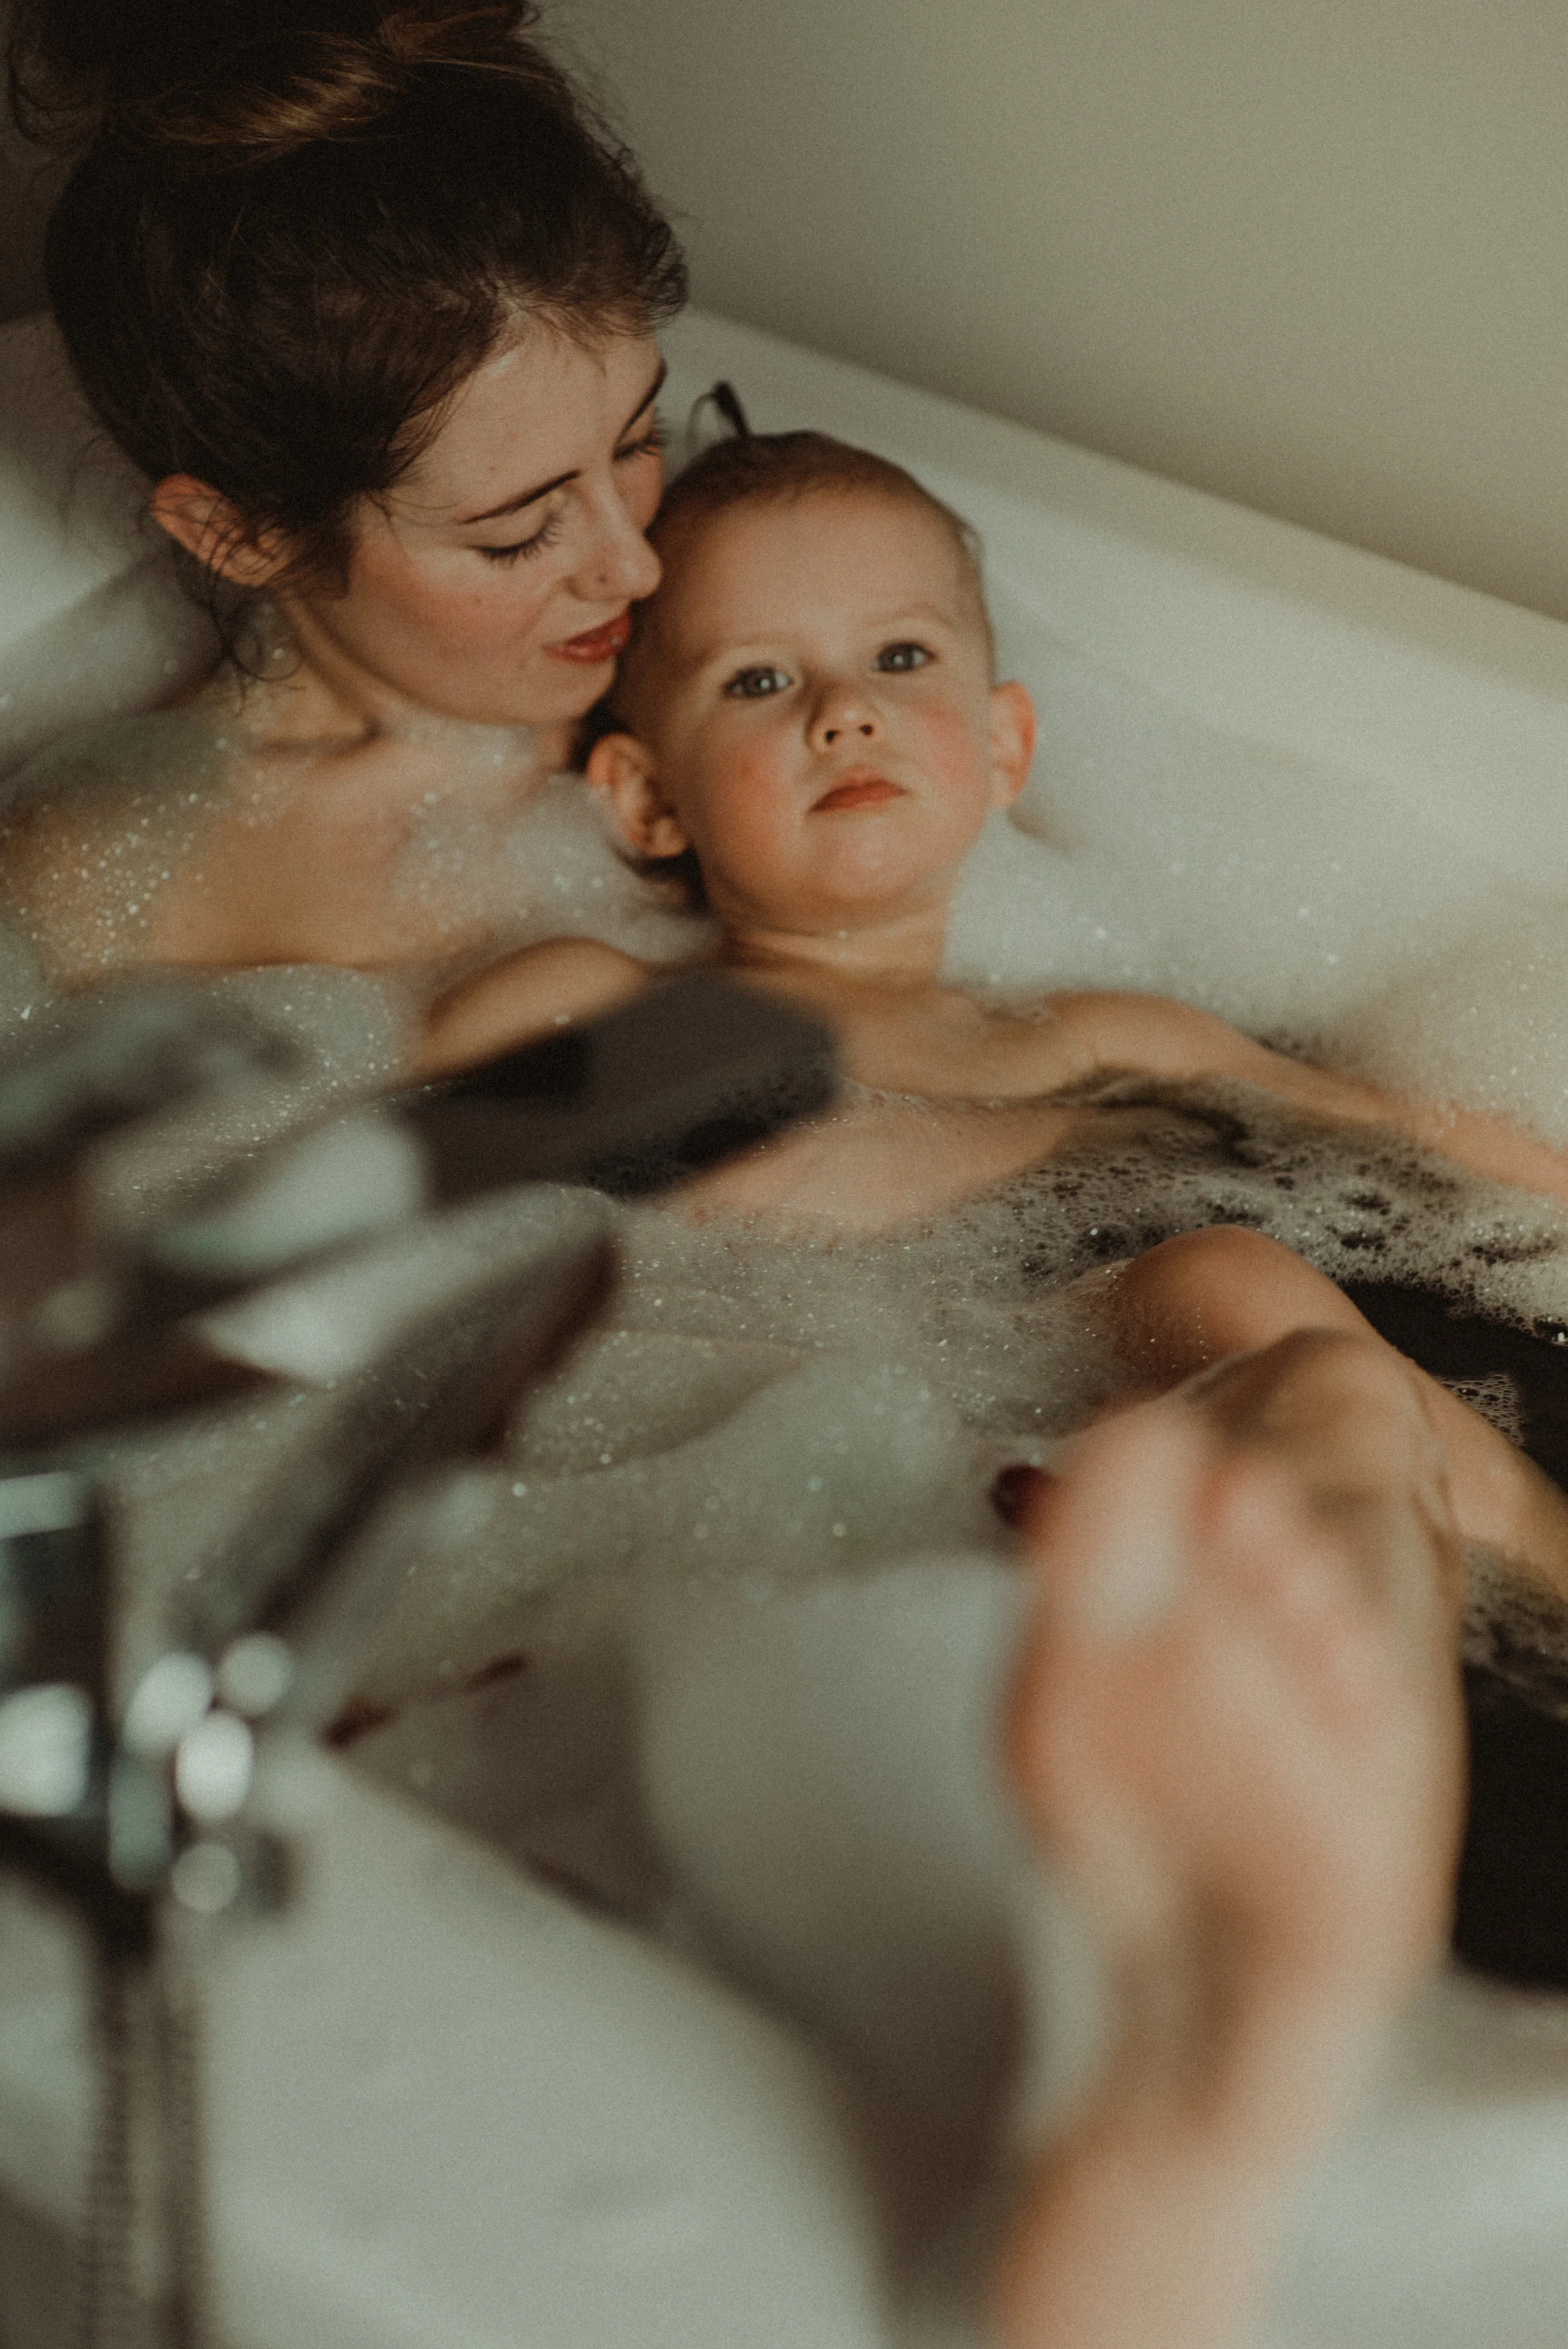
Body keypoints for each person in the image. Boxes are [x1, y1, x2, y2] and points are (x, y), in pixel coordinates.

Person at [0, 0, 685, 986]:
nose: (639, 564)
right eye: (519, 534)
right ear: (239, 535)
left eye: (636, 442)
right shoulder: (101, 884)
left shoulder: (738, 618)